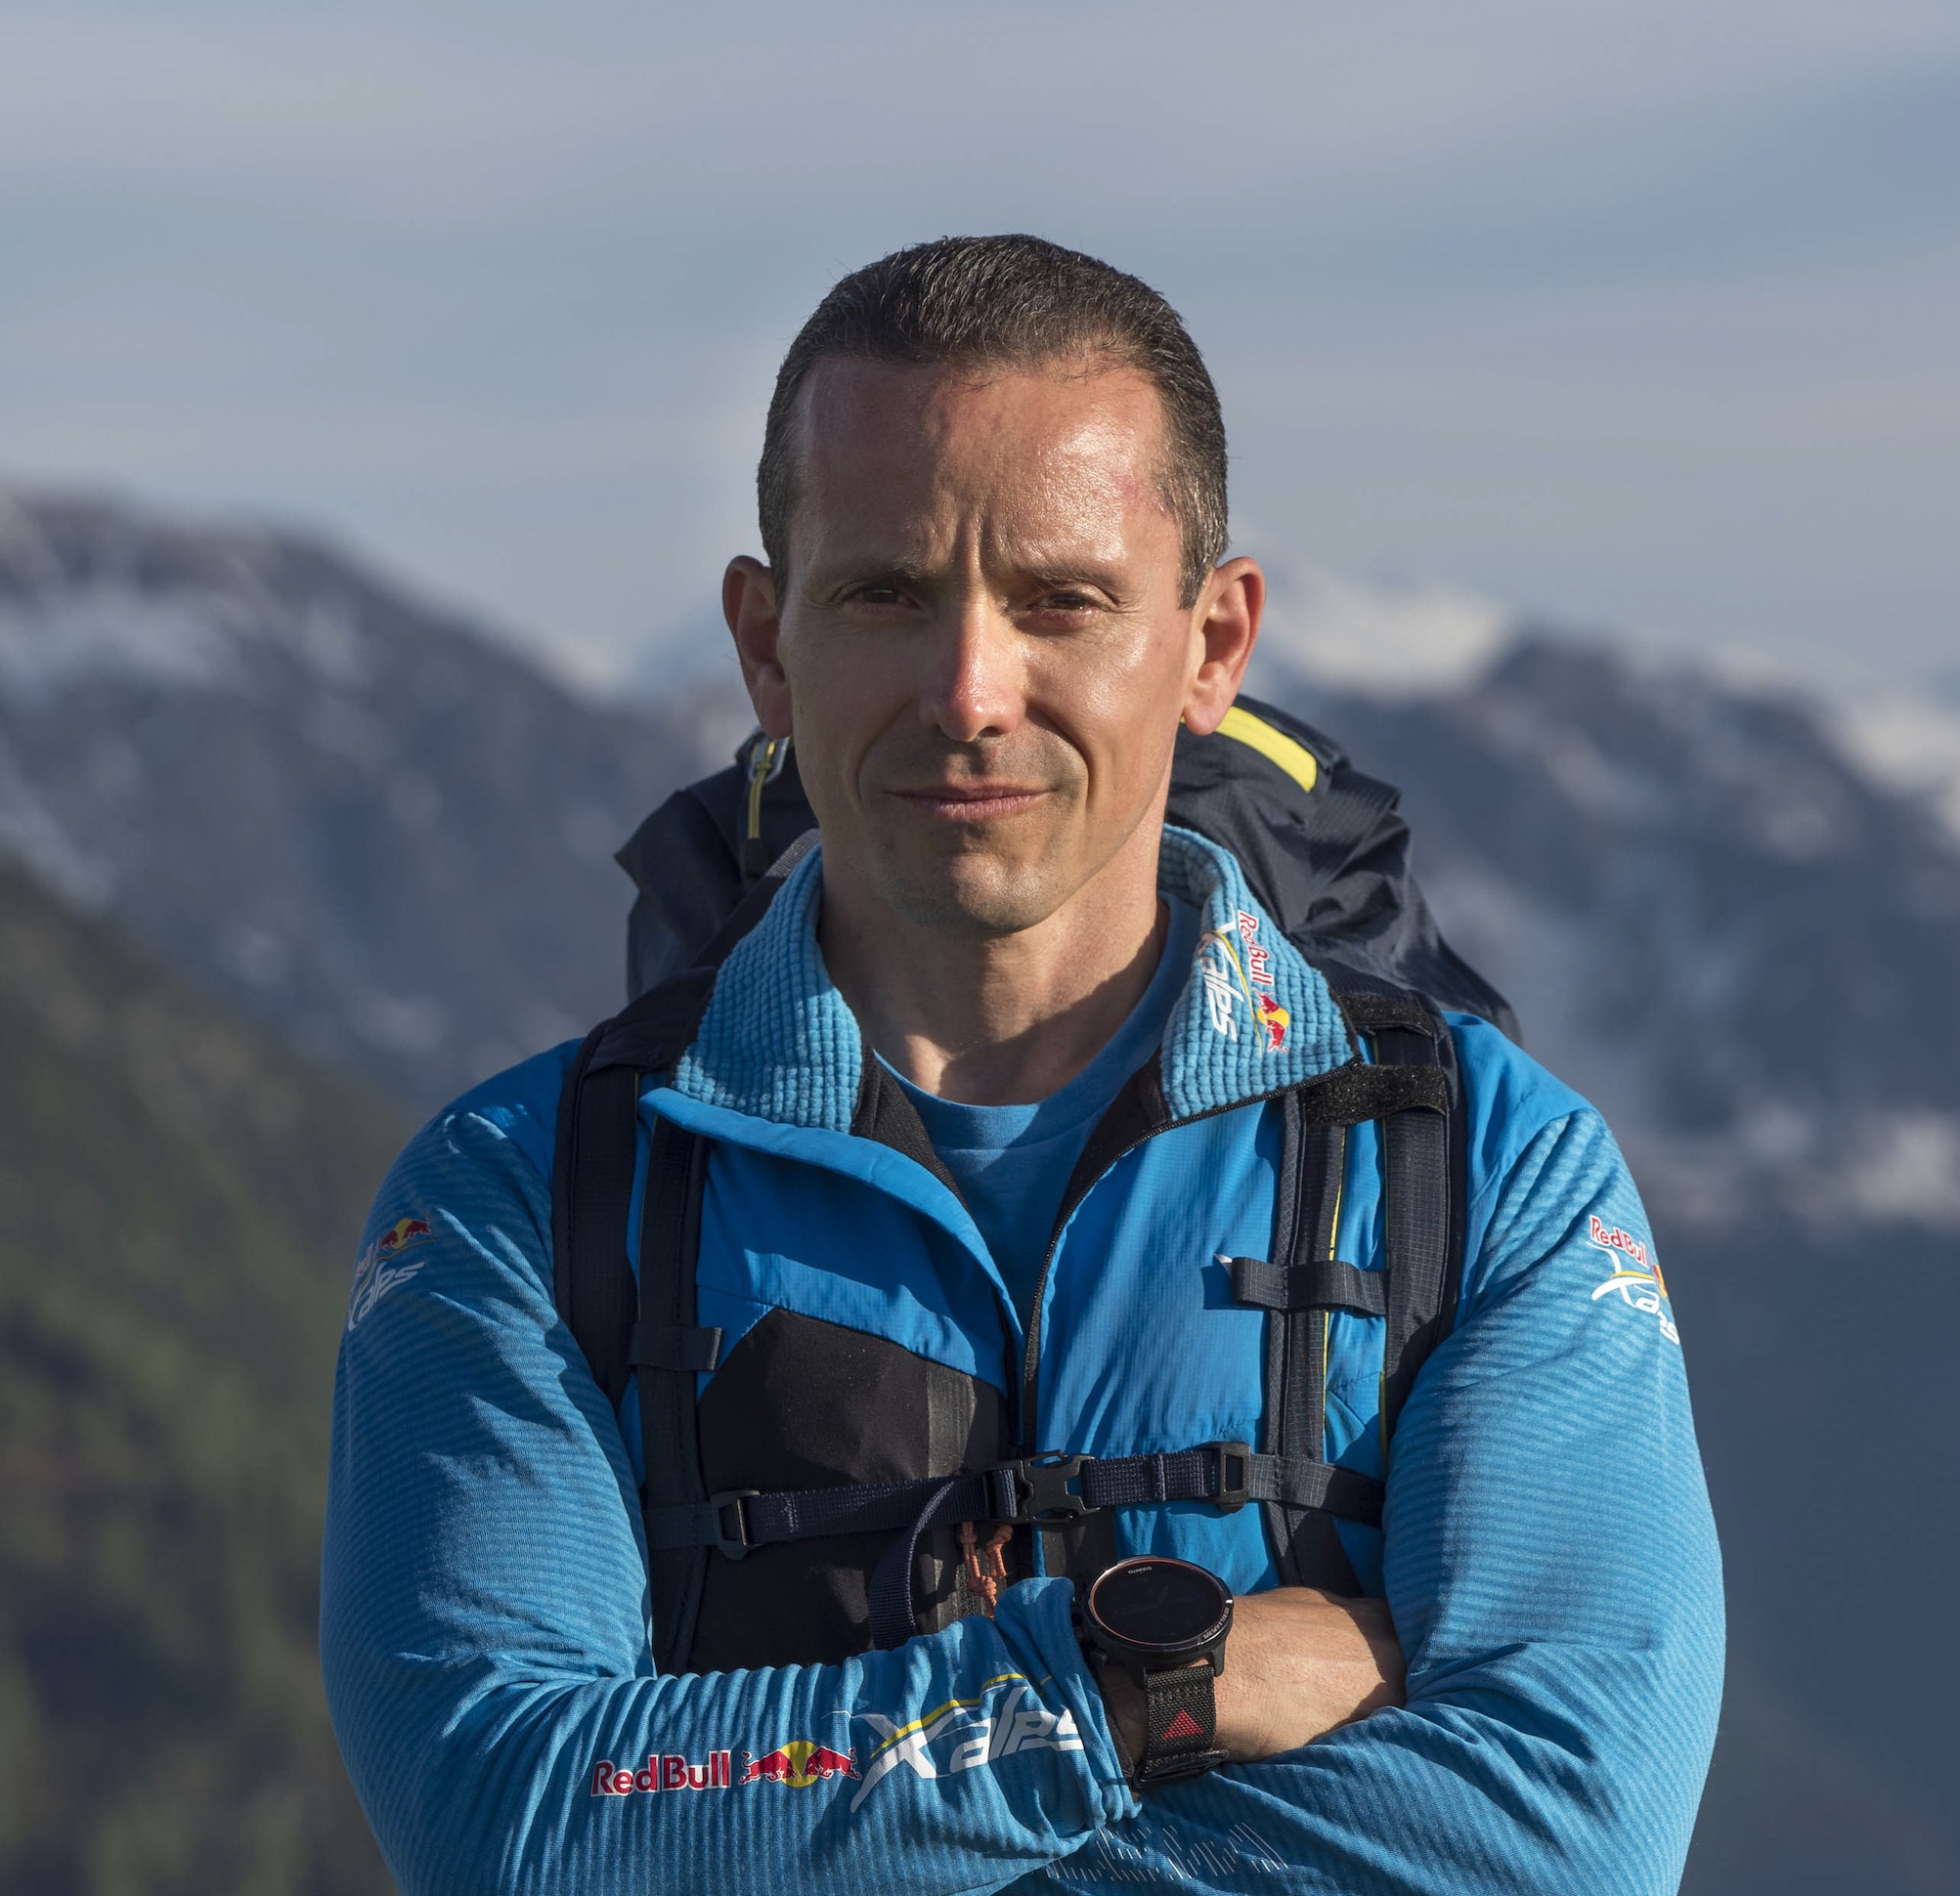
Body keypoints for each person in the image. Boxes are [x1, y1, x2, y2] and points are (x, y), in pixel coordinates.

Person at [322, 235, 1723, 1893]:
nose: (970, 689)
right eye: (885, 595)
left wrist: (777, 1824)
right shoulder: (513, 1201)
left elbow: (1567, 1835)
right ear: (767, 645)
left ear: (1213, 640)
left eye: (1062, 600)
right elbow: (511, 1828)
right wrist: (1150, 1687)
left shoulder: (1489, 1172)